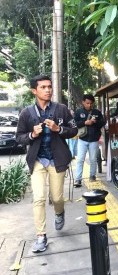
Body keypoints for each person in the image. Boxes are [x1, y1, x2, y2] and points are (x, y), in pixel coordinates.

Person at [15, 75, 78, 253]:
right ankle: (41, 236)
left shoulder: (61, 109)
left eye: (49, 87)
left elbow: (74, 130)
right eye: (43, 87)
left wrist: (59, 129)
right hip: (37, 161)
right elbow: (19, 137)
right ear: (34, 91)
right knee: (39, 198)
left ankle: (59, 213)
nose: (48, 90)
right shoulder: (26, 113)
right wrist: (32, 135)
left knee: (57, 198)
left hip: (56, 160)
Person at [74, 94, 106, 187]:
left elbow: (103, 122)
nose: (89, 105)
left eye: (91, 103)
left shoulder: (97, 112)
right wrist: (85, 122)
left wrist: (96, 122)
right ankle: (78, 179)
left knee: (93, 159)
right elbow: (74, 123)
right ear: (83, 102)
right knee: (80, 159)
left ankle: (92, 175)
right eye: (87, 103)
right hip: (82, 139)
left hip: (94, 139)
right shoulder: (79, 112)